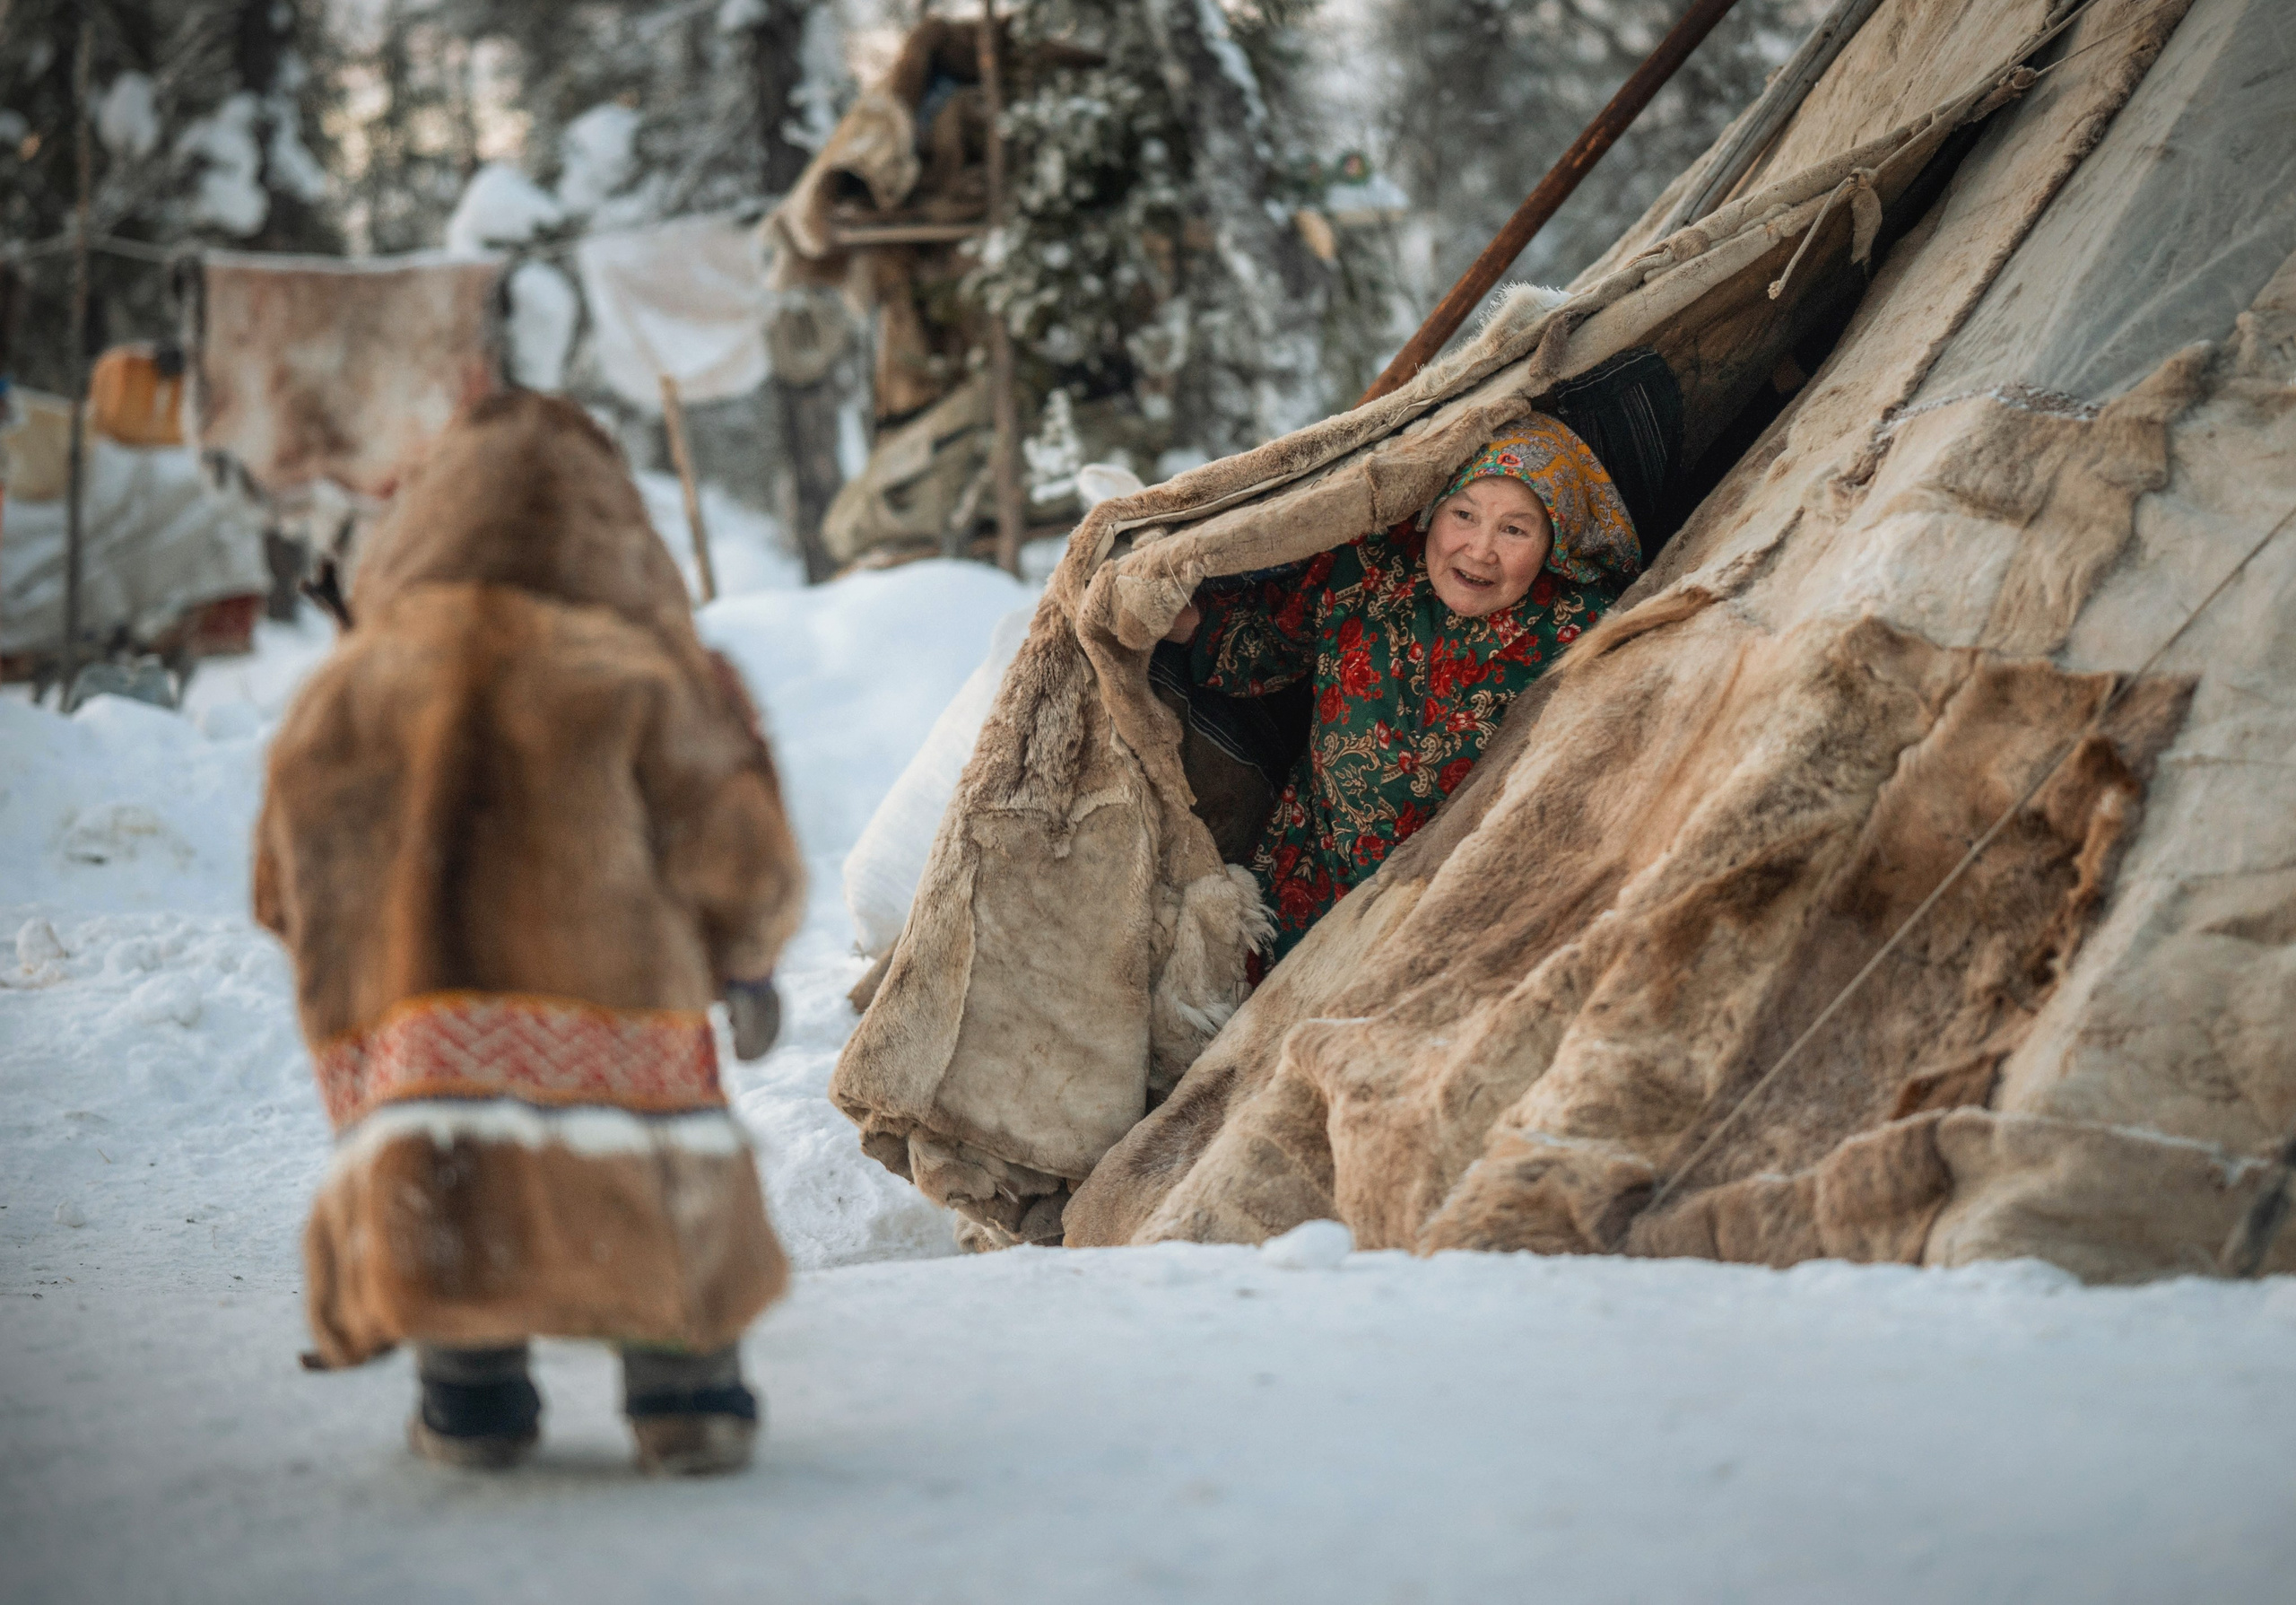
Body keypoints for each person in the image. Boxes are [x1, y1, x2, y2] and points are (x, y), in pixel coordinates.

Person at [256, 392, 804, 1475]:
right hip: (621, 1022)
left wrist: (359, 960)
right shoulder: (642, 672)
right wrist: (745, 957)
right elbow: (735, 850)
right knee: (647, 1180)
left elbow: (281, 882)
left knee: (445, 1182)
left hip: (421, 1032)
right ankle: (687, 1400)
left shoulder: (348, 686)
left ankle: (471, 1407)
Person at [1165, 414, 1641, 966]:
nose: (1481, 549)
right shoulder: (1367, 568)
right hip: (1309, 886)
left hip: (1460, 923)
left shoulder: (1587, 630)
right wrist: (1179, 619)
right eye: (1464, 515)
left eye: (1515, 529)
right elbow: (1269, 647)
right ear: (1432, 511)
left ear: (1553, 542)